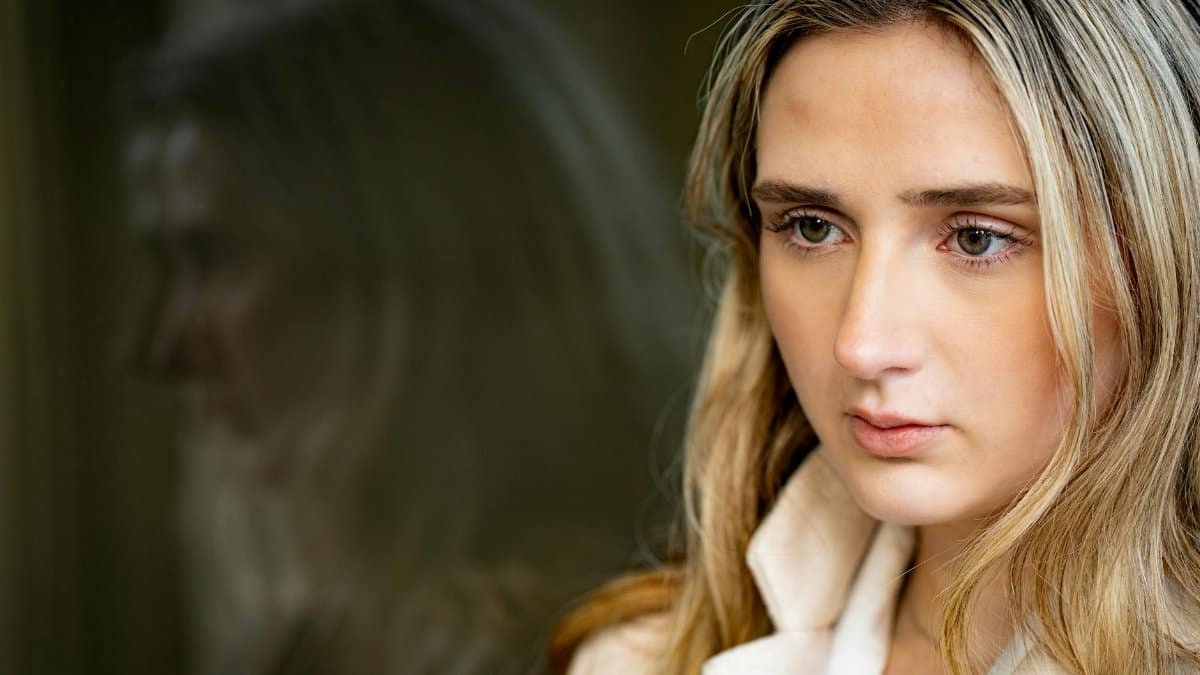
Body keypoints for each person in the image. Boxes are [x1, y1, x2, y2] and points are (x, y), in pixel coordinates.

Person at [552, 1, 1200, 673]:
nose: (861, 344)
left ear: (1160, 260)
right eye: (812, 227)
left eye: (976, 237)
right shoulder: (641, 660)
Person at [123, 0, 698, 673]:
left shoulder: (645, 639)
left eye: (213, 256)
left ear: (403, 276)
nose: (161, 348)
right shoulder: (319, 644)